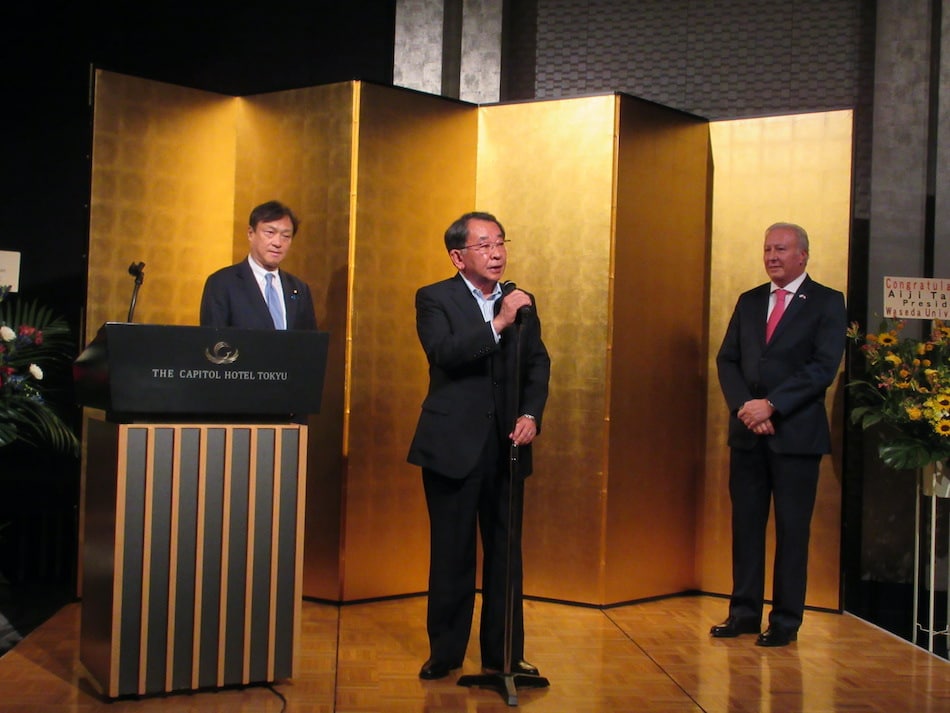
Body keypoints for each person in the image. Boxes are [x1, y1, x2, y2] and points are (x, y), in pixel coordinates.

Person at [407, 211, 551, 680]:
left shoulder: (521, 301)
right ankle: (446, 653)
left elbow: (538, 366)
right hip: (452, 447)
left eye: (500, 243)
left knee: (507, 555)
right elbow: (444, 354)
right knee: (453, 552)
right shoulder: (434, 299)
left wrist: (530, 414)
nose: (496, 252)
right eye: (484, 245)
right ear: (457, 256)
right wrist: (498, 323)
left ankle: (505, 654)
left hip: (507, 447)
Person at [712, 222, 846, 647]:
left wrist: (773, 404)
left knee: (792, 531)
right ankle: (744, 613)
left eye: (781, 249)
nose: (772, 256)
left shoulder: (826, 302)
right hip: (749, 435)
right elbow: (727, 359)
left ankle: (785, 621)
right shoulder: (750, 301)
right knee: (746, 526)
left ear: (802, 255)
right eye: (767, 248)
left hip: (796, 438)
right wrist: (745, 409)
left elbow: (822, 368)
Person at [200, 200, 317, 330]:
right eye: (270, 233)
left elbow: (309, 343)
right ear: (251, 233)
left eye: (286, 236)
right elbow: (214, 342)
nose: (278, 243)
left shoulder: (298, 289)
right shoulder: (222, 283)